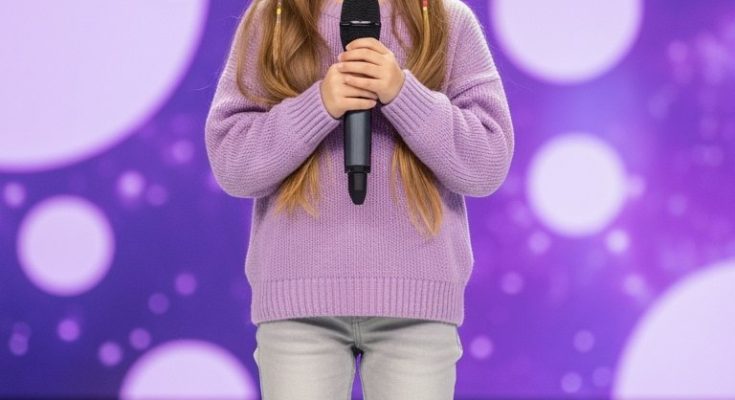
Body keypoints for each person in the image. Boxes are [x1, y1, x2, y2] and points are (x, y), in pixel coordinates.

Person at [204, 0, 514, 397]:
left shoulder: (445, 18)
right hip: (299, 307)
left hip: (416, 306)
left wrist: (403, 95)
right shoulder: (274, 16)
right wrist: (318, 105)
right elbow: (233, 163)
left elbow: (487, 162)